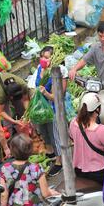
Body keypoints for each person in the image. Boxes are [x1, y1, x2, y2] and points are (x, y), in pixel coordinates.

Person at [28, 46, 67, 177]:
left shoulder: (57, 72)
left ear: (53, 58)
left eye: (46, 57)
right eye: (42, 57)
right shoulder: (39, 69)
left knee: (55, 135)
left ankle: (59, 162)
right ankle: (50, 155)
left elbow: (58, 96)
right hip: (41, 109)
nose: (43, 60)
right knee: (45, 134)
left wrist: (45, 92)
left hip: (53, 109)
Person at [0, 134, 59, 206]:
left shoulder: (5, 168)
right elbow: (45, 194)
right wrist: (54, 193)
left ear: (12, 150)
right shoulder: (36, 168)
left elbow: (4, 194)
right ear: (30, 150)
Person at [69, 93, 104, 183]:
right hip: (98, 172)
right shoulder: (100, 130)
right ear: (97, 110)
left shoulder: (73, 123)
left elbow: (72, 138)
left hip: (78, 170)